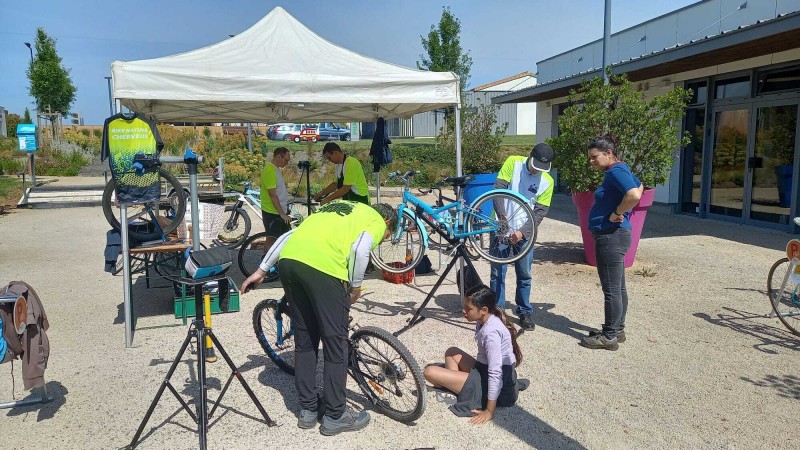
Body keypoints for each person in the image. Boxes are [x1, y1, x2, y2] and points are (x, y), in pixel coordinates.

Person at [241, 200, 397, 435]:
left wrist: (261, 270)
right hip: (323, 268)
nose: (383, 239)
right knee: (336, 345)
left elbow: (289, 236)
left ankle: (308, 410)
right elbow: (360, 249)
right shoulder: (374, 219)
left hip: (289, 264)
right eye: (386, 236)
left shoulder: (334, 208)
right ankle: (336, 415)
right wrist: (355, 287)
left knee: (305, 341)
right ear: (387, 223)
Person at [423, 284, 528, 425]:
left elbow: (495, 372)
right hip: (483, 369)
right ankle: (460, 386)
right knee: (451, 352)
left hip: (499, 384)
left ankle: (463, 389)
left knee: (429, 372)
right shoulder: (484, 319)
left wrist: (489, 411)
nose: (463, 311)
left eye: (468, 308)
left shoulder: (491, 333)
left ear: (484, 310)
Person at [580, 135, 643, 351]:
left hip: (610, 236)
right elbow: (641, 186)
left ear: (608, 153)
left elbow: (634, 194)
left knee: (612, 289)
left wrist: (617, 212)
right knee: (618, 287)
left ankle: (609, 337)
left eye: (594, 157)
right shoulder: (620, 169)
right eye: (589, 158)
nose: (591, 161)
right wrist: (622, 211)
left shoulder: (616, 170)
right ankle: (617, 329)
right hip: (615, 234)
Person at [489, 143, 555, 331]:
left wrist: (522, 232)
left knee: (524, 274)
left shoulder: (548, 182)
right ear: (530, 157)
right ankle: (498, 311)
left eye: (541, 169)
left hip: (525, 232)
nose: (536, 171)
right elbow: (497, 190)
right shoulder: (513, 163)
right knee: (497, 273)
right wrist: (502, 216)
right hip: (500, 227)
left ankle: (524, 311)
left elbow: (539, 213)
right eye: (535, 166)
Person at [260, 147, 293, 252]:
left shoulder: (275, 169)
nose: (286, 163)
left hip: (278, 211)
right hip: (272, 212)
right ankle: (266, 265)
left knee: (281, 239)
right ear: (279, 156)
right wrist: (282, 214)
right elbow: (272, 195)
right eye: (286, 160)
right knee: (272, 240)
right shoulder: (269, 170)